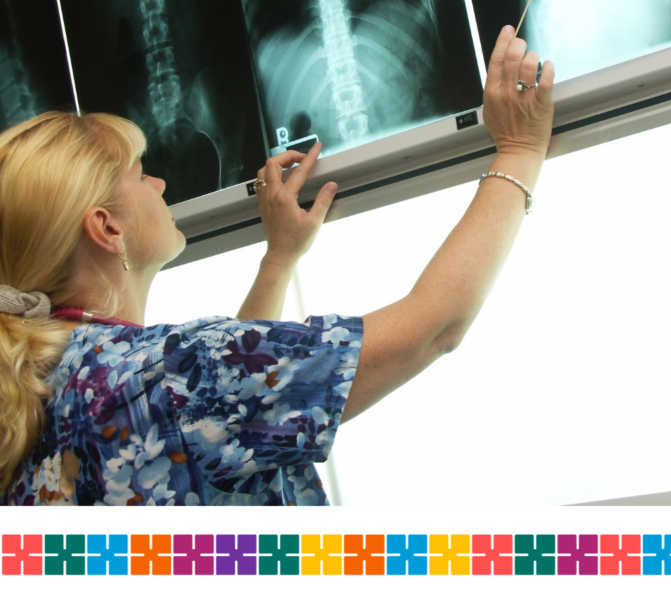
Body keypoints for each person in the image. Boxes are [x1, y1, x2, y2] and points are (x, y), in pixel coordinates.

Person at [0, 27, 555, 505]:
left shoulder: (37, 393)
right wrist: (519, 151)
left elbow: (214, 428)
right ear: (108, 229)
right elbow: (435, 326)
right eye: (140, 173)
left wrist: (279, 257)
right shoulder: (172, 375)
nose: (160, 184)